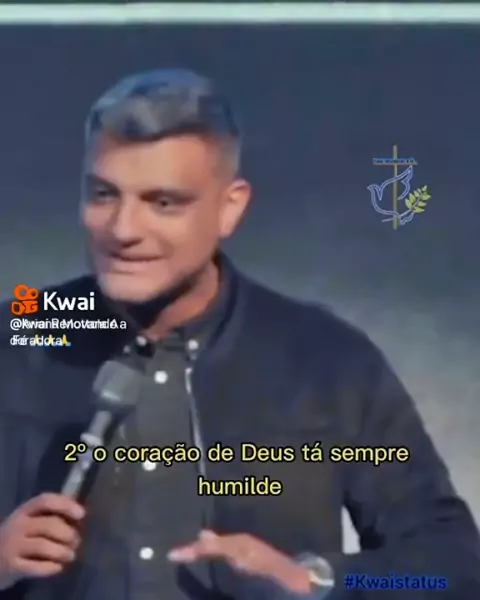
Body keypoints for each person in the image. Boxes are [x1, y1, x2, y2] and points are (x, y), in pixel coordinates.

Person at [0, 69, 479, 600]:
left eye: (164, 202)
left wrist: (318, 579)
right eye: (103, 194)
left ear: (230, 208)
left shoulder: (325, 359)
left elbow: (452, 567)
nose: (123, 229)